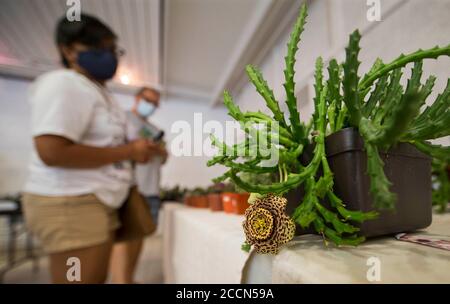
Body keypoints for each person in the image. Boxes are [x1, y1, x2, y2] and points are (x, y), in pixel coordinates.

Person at [22, 14, 164, 284]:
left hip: (94, 201)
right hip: (71, 201)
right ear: (68, 50)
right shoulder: (64, 84)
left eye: (112, 49)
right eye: (99, 49)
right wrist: (129, 152)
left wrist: (136, 151)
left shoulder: (99, 93)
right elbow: (51, 151)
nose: (109, 56)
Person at [127, 87, 167, 224]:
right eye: (148, 101)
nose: (151, 106)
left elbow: (164, 157)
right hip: (130, 188)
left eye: (155, 104)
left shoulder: (155, 130)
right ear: (137, 98)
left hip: (152, 189)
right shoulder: (123, 118)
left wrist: (158, 150)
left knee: (145, 235)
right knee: (126, 238)